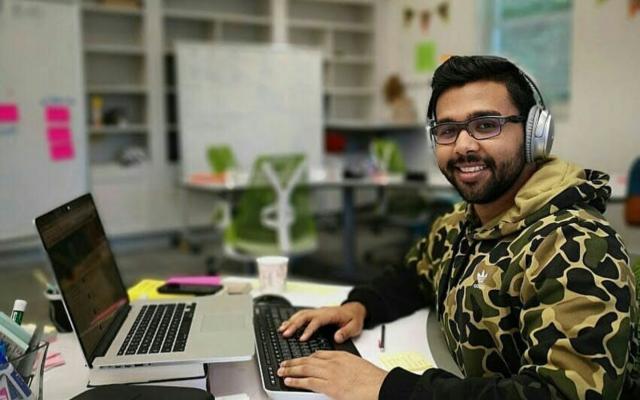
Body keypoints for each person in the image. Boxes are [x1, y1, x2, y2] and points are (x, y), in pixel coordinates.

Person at [276, 56, 639, 400]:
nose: (464, 145)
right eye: (448, 130)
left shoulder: (575, 245)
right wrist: (360, 307)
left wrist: (388, 389)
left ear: (534, 135)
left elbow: (559, 394)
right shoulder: (462, 221)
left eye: (486, 125)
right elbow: (414, 273)